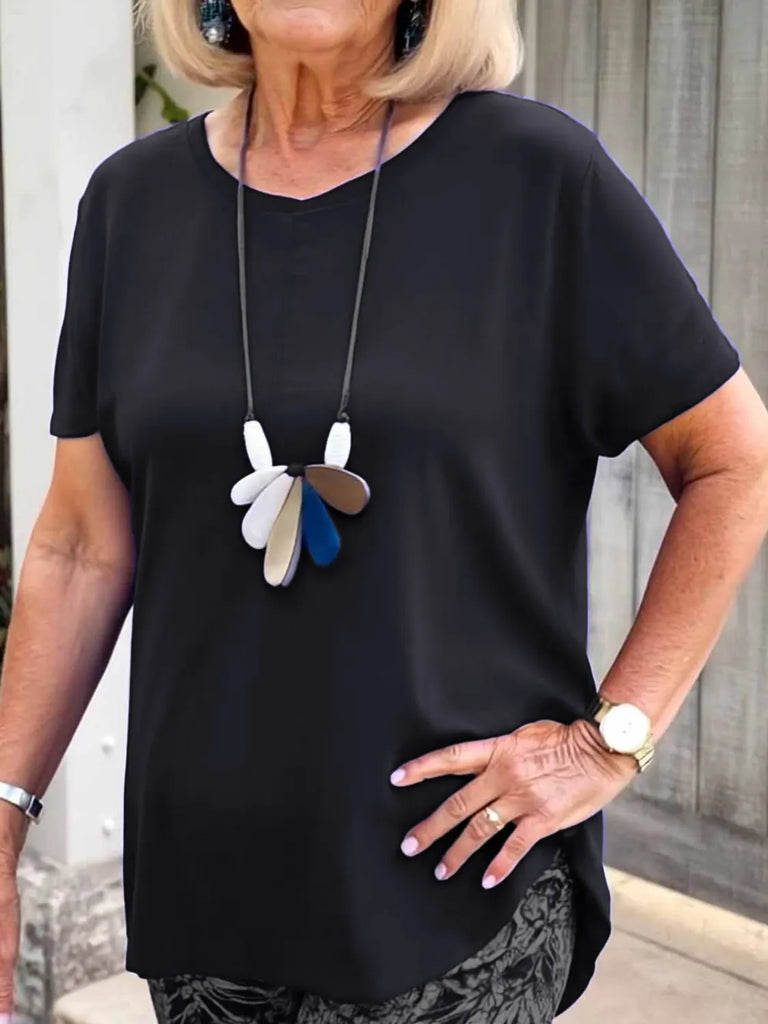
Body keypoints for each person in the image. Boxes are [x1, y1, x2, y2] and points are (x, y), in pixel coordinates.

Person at [0, 1, 767, 1022]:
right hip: (205, 898)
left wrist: (610, 739)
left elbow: (734, 462)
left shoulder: (537, 178)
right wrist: (3, 817)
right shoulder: (130, 204)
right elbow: (79, 547)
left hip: (455, 898)